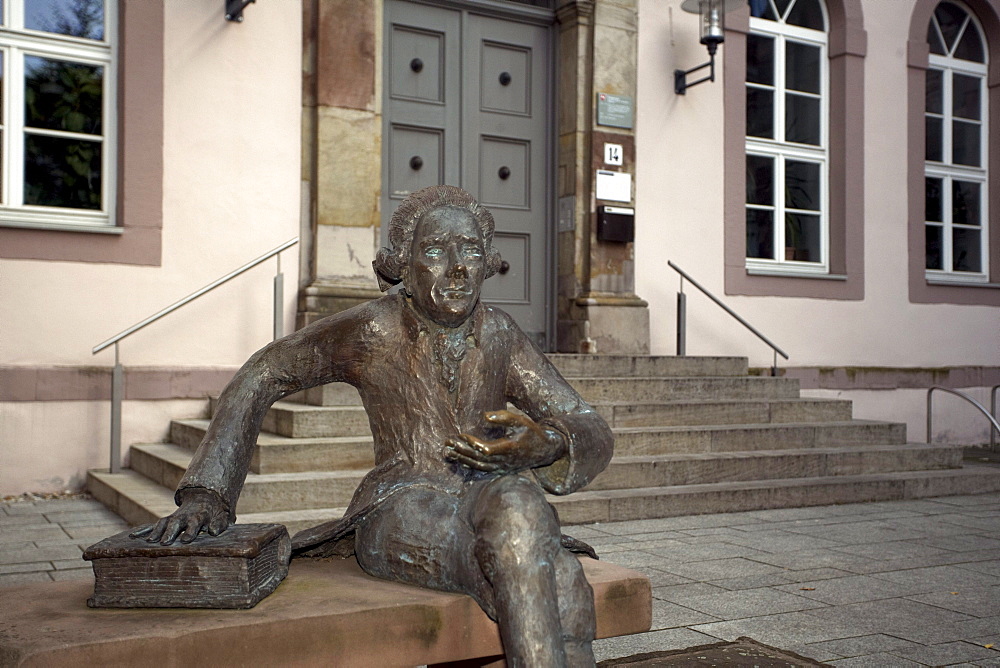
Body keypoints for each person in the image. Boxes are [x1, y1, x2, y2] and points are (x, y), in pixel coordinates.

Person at [133, 185, 614, 666]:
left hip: (491, 505)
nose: (458, 269)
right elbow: (265, 371)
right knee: (557, 573)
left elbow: (585, 421)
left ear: (488, 262)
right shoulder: (373, 329)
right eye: (434, 252)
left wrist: (546, 443)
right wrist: (207, 495)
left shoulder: (500, 333)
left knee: (526, 517)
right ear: (403, 265)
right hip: (400, 509)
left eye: (470, 251)